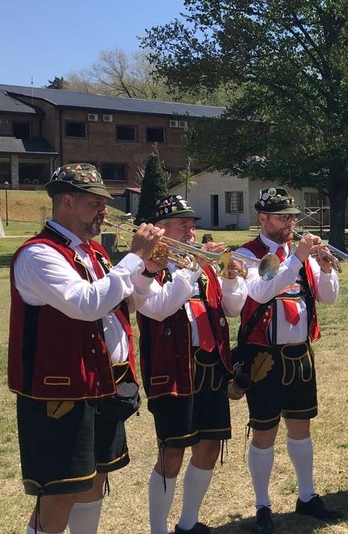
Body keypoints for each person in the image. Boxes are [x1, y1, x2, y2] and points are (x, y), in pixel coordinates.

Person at [8, 163, 163, 534]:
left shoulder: (93, 252)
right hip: (60, 393)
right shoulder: (39, 254)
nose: (104, 211)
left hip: (101, 384)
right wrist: (134, 258)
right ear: (67, 203)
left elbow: (125, 303)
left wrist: (146, 271)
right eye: (95, 203)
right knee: (59, 493)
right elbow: (87, 304)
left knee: (94, 479)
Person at [135, 194, 248, 534]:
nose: (191, 231)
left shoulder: (202, 267)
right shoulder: (149, 269)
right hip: (173, 371)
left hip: (212, 368)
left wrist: (230, 278)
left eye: (192, 225)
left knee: (209, 446)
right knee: (172, 452)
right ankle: (158, 529)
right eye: (182, 224)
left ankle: (188, 523)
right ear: (161, 230)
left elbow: (232, 309)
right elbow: (159, 309)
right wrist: (196, 266)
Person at [233, 188, 342, 533]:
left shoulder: (302, 255)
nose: (289, 223)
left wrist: (326, 269)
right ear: (262, 219)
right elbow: (260, 291)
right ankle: (262, 504)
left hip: (299, 354)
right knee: (264, 431)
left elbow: (329, 298)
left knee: (301, 427)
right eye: (282, 217)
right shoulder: (246, 254)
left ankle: (306, 495)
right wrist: (296, 258)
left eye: (292, 217)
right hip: (264, 355)